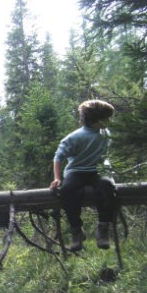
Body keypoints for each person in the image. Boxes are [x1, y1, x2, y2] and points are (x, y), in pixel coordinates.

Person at [49, 100, 116, 252]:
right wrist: (57, 178)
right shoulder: (75, 137)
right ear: (95, 120)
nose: (110, 121)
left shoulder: (106, 134)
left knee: (107, 186)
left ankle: (103, 229)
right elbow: (58, 156)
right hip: (76, 171)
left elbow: (105, 155)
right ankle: (77, 232)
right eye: (107, 118)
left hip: (98, 170)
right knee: (67, 190)